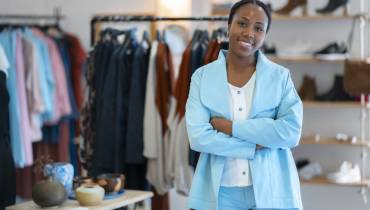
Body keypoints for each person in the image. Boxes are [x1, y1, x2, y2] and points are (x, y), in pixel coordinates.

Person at [185, 0, 303, 210]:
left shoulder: (280, 77)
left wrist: (229, 127)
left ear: (265, 35)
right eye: (242, 23)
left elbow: (290, 132)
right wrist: (255, 143)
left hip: (271, 190)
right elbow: (199, 138)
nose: (249, 33)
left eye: (258, 28)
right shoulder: (202, 77)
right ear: (229, 25)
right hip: (220, 194)